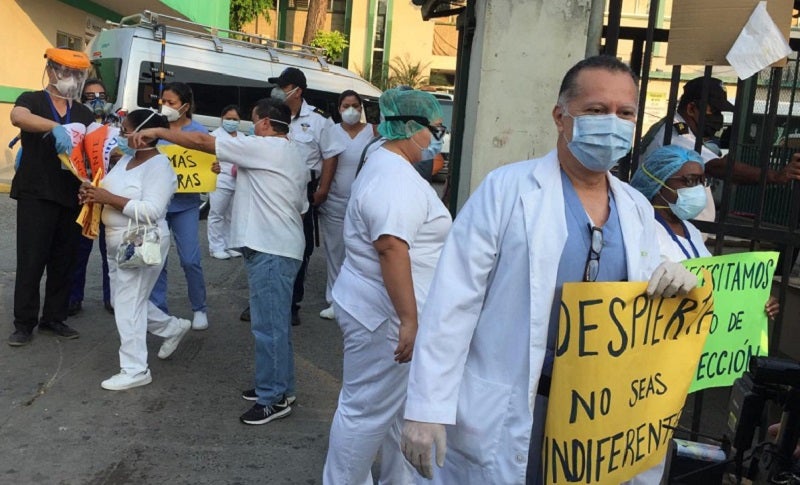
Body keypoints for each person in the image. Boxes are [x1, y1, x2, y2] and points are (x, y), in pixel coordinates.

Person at [399, 55, 700, 484]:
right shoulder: (508, 190)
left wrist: (675, 282)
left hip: (599, 410)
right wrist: (427, 407)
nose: (612, 123)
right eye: (596, 111)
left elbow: (642, 296)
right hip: (517, 402)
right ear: (561, 116)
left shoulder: (634, 207)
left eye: (625, 113)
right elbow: (453, 302)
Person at [133, 98, 309, 424]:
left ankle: (273, 398)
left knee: (268, 329)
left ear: (267, 123)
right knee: (275, 326)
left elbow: (201, 141)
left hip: (272, 250)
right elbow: (295, 204)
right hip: (278, 248)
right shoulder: (290, 153)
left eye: (253, 122)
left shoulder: (265, 146)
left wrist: (158, 129)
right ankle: (278, 387)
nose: (248, 129)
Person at [322, 88, 452, 484]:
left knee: (396, 411)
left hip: (379, 310)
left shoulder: (385, 164)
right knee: (364, 412)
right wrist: (409, 320)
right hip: (386, 318)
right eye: (435, 130)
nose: (437, 139)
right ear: (412, 129)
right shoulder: (394, 177)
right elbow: (391, 247)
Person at [80, 108, 191, 390]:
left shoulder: (159, 167)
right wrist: (93, 193)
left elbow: (153, 210)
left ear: (143, 135)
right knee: (124, 301)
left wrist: (109, 197)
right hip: (115, 239)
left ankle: (135, 368)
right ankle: (172, 327)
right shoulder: (126, 161)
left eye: (125, 129)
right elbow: (107, 191)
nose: (120, 134)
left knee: (128, 303)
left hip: (141, 241)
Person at [239, 67, 344, 326]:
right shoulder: (270, 116)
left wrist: (323, 189)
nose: (278, 91)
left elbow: (331, 155)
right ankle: (260, 300)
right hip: (268, 186)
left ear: (298, 91)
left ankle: (291, 302)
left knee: (300, 246)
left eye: (283, 87)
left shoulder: (318, 120)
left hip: (302, 188)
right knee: (261, 244)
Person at [8, 48, 94, 346]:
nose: (73, 79)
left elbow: (94, 148)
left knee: (64, 260)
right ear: (52, 70)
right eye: (68, 72)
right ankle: (24, 323)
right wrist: (56, 127)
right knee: (31, 259)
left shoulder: (83, 113)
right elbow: (17, 117)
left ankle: (54, 318)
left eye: (79, 74)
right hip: (37, 192)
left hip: (71, 195)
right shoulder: (31, 100)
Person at [630, 144, 780, 313]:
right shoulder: (639, 228)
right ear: (658, 182)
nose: (698, 188)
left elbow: (713, 285)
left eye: (702, 181)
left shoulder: (691, 231)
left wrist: (755, 301)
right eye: (690, 180)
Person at [640, 76, 800, 224]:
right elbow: (717, 166)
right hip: (667, 227)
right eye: (714, 111)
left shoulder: (677, 129)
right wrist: (774, 176)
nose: (718, 118)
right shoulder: (676, 133)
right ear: (691, 109)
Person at [149, 82, 210, 331]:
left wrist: (212, 168)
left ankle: (200, 308)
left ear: (185, 106)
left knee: (190, 259)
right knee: (157, 261)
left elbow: (210, 160)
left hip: (186, 205)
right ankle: (159, 312)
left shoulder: (199, 130)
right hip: (158, 205)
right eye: (163, 101)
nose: (165, 106)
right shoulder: (154, 126)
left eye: (171, 102)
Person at [317, 90, 376, 320]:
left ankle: (360, 300)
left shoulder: (373, 132)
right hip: (335, 201)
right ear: (339, 108)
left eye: (355, 105)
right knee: (335, 251)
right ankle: (334, 300)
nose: (351, 110)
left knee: (361, 252)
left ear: (361, 108)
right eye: (345, 105)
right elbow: (326, 163)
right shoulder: (331, 132)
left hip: (364, 203)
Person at [68, 78, 113, 316]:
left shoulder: (117, 122)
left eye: (101, 95)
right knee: (79, 251)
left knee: (111, 252)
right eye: (90, 96)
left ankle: (112, 298)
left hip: (108, 196)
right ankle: (73, 298)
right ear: (82, 98)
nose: (97, 100)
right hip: (84, 194)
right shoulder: (75, 123)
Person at [208, 104, 243, 260]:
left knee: (232, 215)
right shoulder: (215, 136)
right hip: (221, 179)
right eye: (228, 118)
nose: (231, 121)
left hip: (239, 181)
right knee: (217, 213)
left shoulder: (243, 137)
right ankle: (216, 246)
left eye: (235, 119)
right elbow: (207, 159)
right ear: (222, 119)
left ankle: (230, 244)